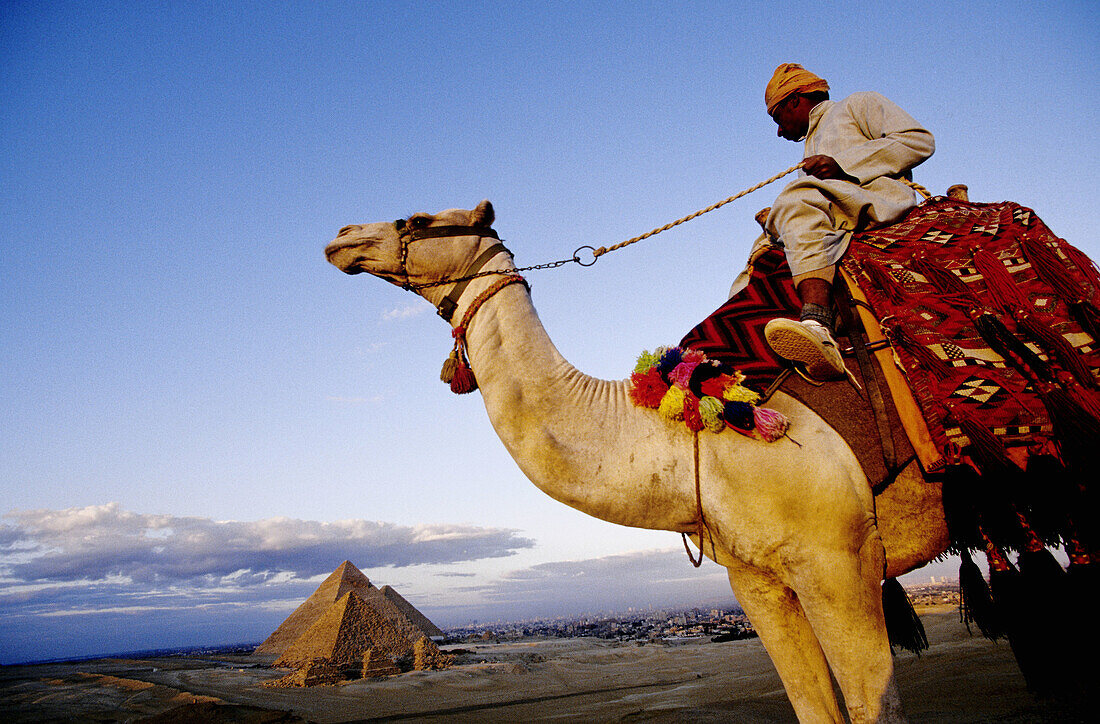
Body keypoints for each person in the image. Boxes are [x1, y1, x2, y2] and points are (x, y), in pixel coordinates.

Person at [744, 63, 935, 380]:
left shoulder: (858, 104)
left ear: (795, 100)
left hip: (876, 199)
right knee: (760, 250)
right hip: (834, 210)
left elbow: (919, 141)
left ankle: (817, 324)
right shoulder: (811, 143)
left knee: (795, 199)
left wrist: (842, 165)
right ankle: (745, 354)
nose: (778, 131)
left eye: (777, 117)